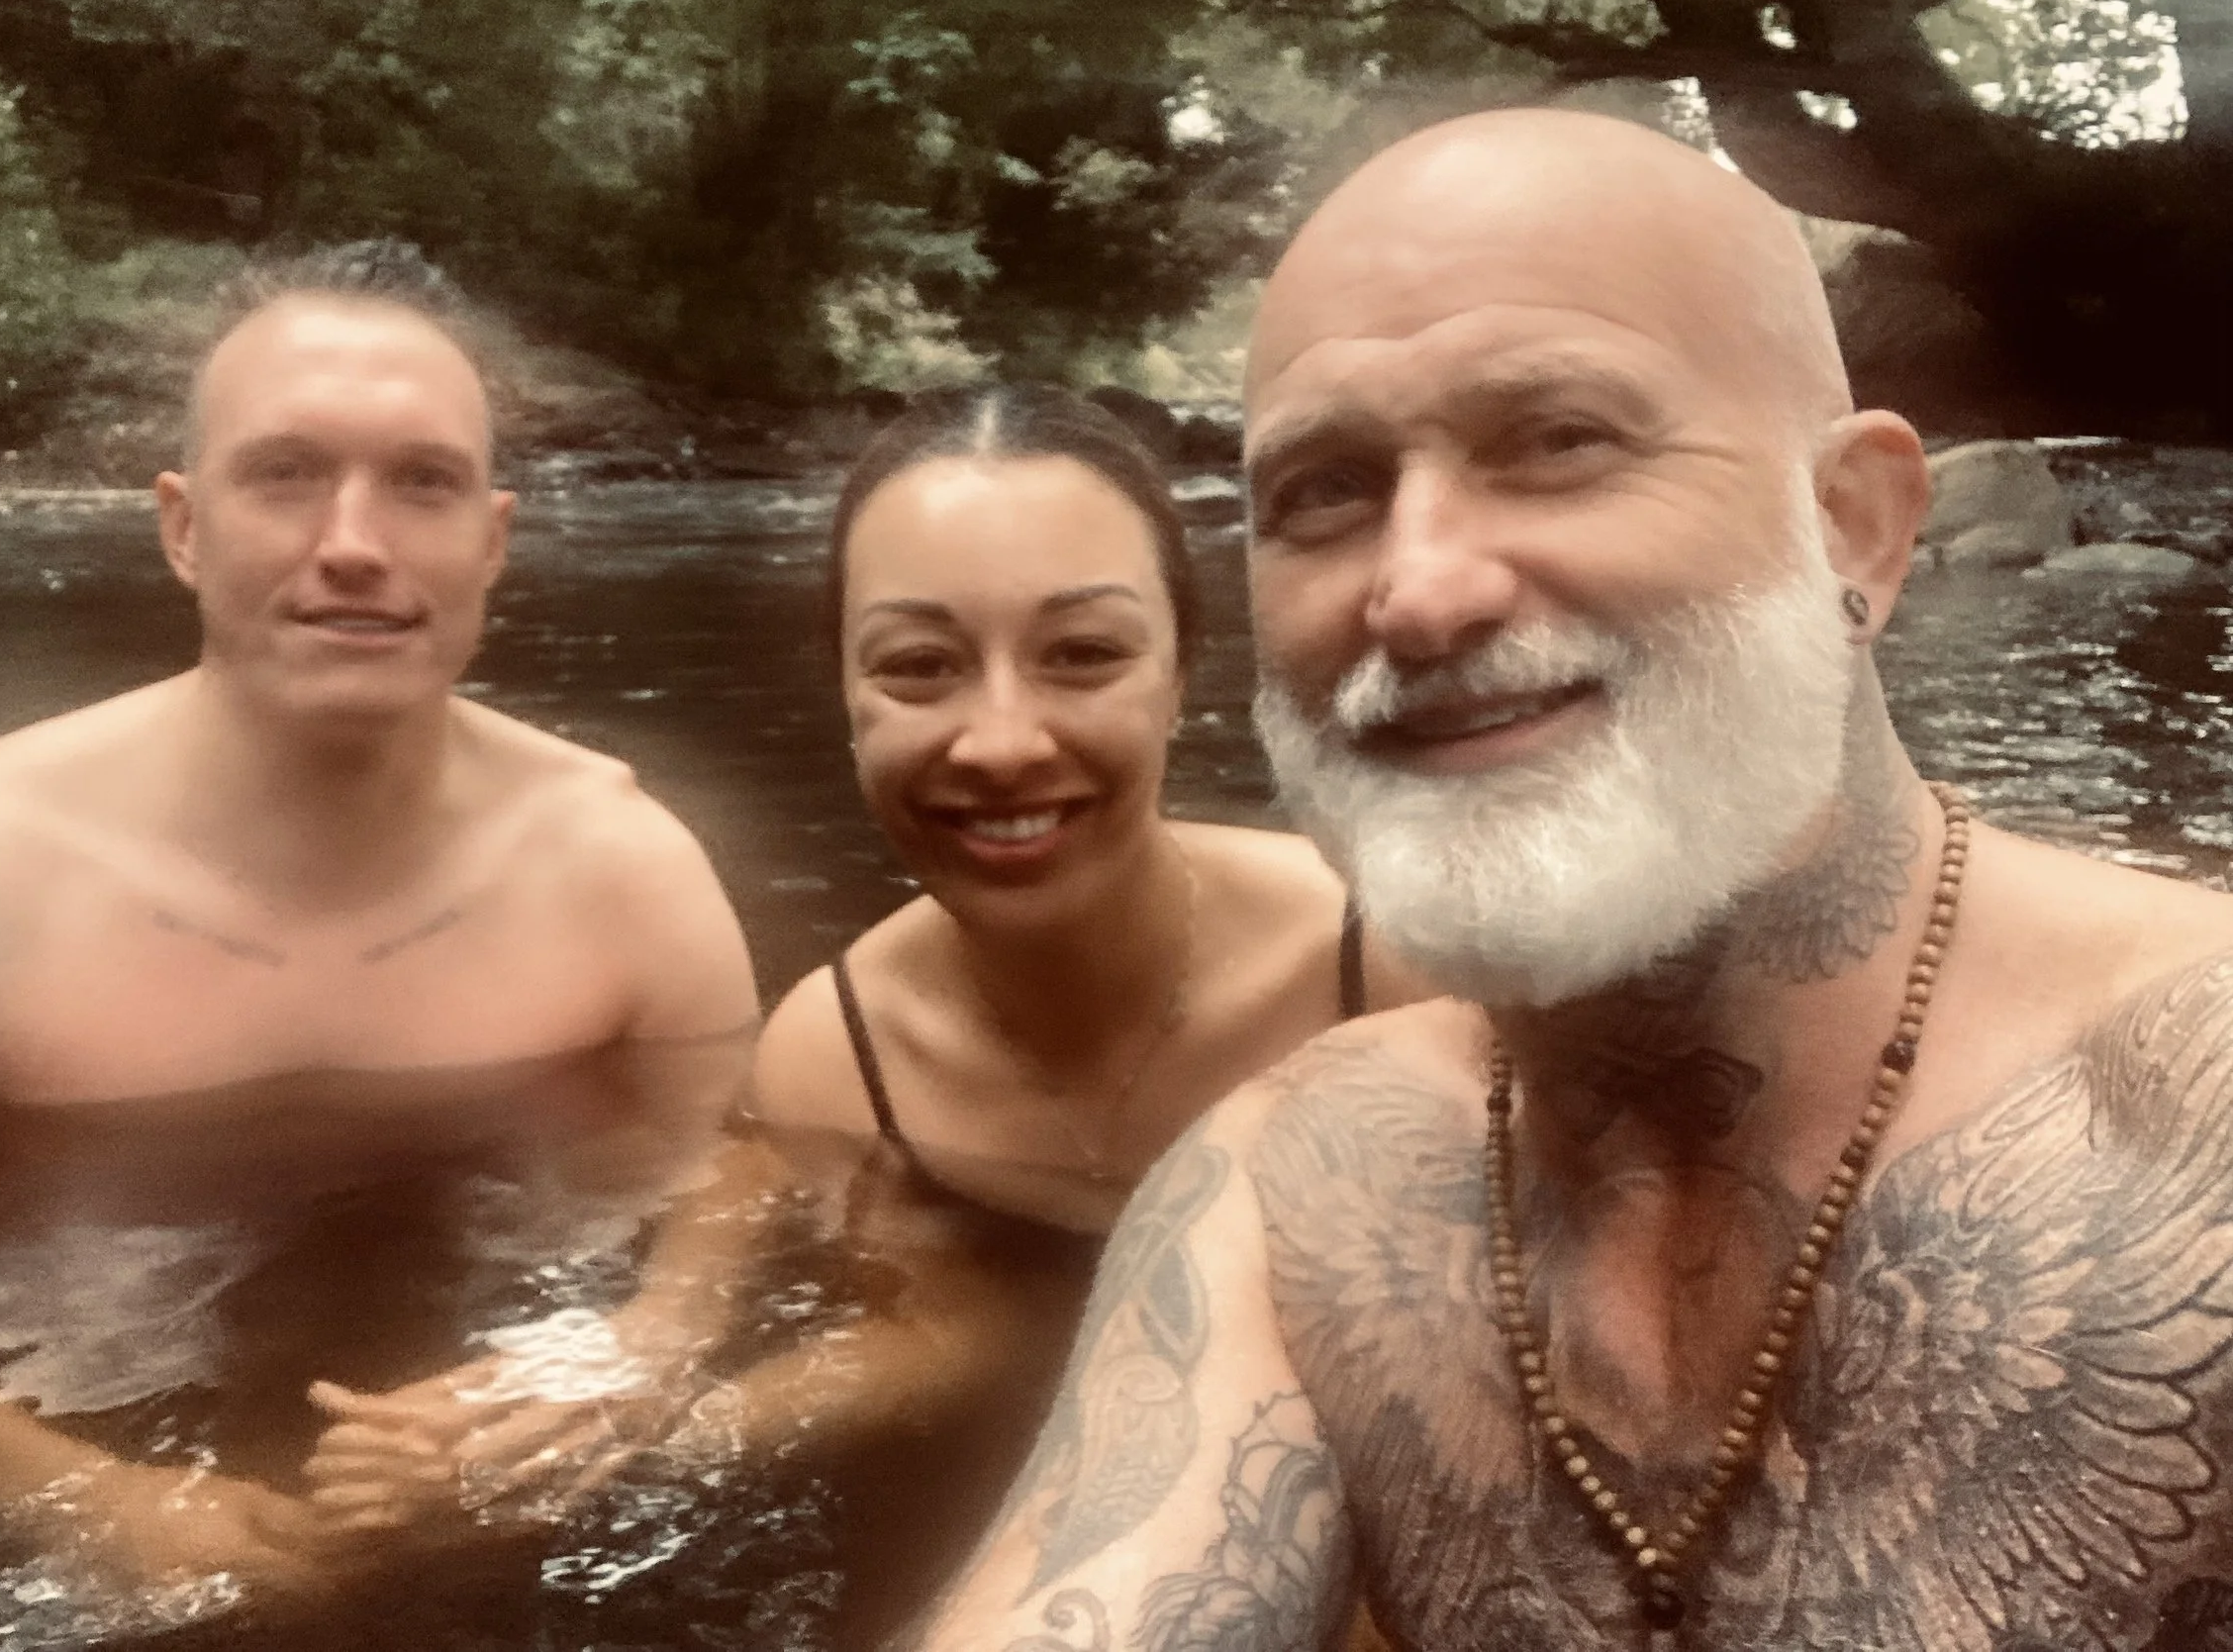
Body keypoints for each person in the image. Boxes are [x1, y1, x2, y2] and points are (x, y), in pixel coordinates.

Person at [914, 108, 2233, 1652]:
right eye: (1325, 491)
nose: (1416, 592)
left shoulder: (2195, 1118)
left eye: (1559, 441)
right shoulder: (1298, 1184)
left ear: (1850, 526)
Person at [304, 391, 1418, 1645]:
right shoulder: (841, 1061)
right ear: (847, 695)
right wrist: (566, 1420)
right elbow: (880, 1336)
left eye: (1083, 654)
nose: (999, 741)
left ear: (1182, 673)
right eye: (918, 667)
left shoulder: (1390, 968)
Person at [0, 241, 759, 1621]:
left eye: (423, 481)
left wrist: (628, 1364)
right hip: (66, 1398)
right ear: (183, 525)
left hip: (441, 1405)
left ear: (493, 538)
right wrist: (76, 1494)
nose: (354, 544)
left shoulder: (623, 874)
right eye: (285, 473)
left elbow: (737, 1174)